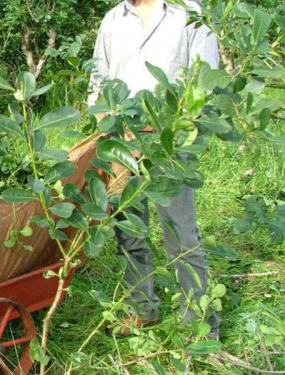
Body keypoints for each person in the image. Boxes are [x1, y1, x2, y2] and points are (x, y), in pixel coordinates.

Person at [88, 0, 221, 338]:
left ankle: (200, 328)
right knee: (128, 229)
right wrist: (103, 118)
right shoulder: (112, 19)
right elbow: (98, 77)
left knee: (181, 235)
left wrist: (164, 124)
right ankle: (141, 308)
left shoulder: (190, 14)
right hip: (120, 141)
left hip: (170, 142)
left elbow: (205, 84)